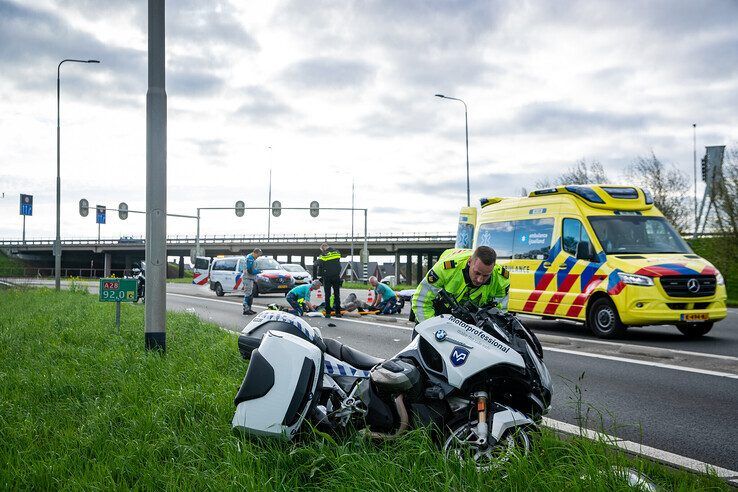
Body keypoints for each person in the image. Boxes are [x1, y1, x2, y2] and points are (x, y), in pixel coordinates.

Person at [411, 246, 510, 323]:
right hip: (440, 311)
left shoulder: (501, 279)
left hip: (471, 317)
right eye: (477, 273)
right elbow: (421, 301)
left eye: (486, 276)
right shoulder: (445, 269)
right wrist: (431, 328)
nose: (480, 280)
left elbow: (500, 313)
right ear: (470, 262)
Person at [317, 242, 342, 318]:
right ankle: (338, 313)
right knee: (337, 294)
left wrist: (316, 262)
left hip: (327, 277)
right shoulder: (337, 252)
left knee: (327, 295)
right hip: (336, 276)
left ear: (323, 248)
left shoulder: (323, 255)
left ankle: (328, 313)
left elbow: (319, 264)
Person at [241, 248, 262, 315]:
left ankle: (249, 309)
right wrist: (257, 271)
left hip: (250, 278)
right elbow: (250, 270)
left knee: (250, 294)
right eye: (258, 255)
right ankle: (246, 309)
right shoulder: (250, 258)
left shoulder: (251, 258)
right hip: (247, 278)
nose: (258, 257)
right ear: (255, 253)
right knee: (248, 294)